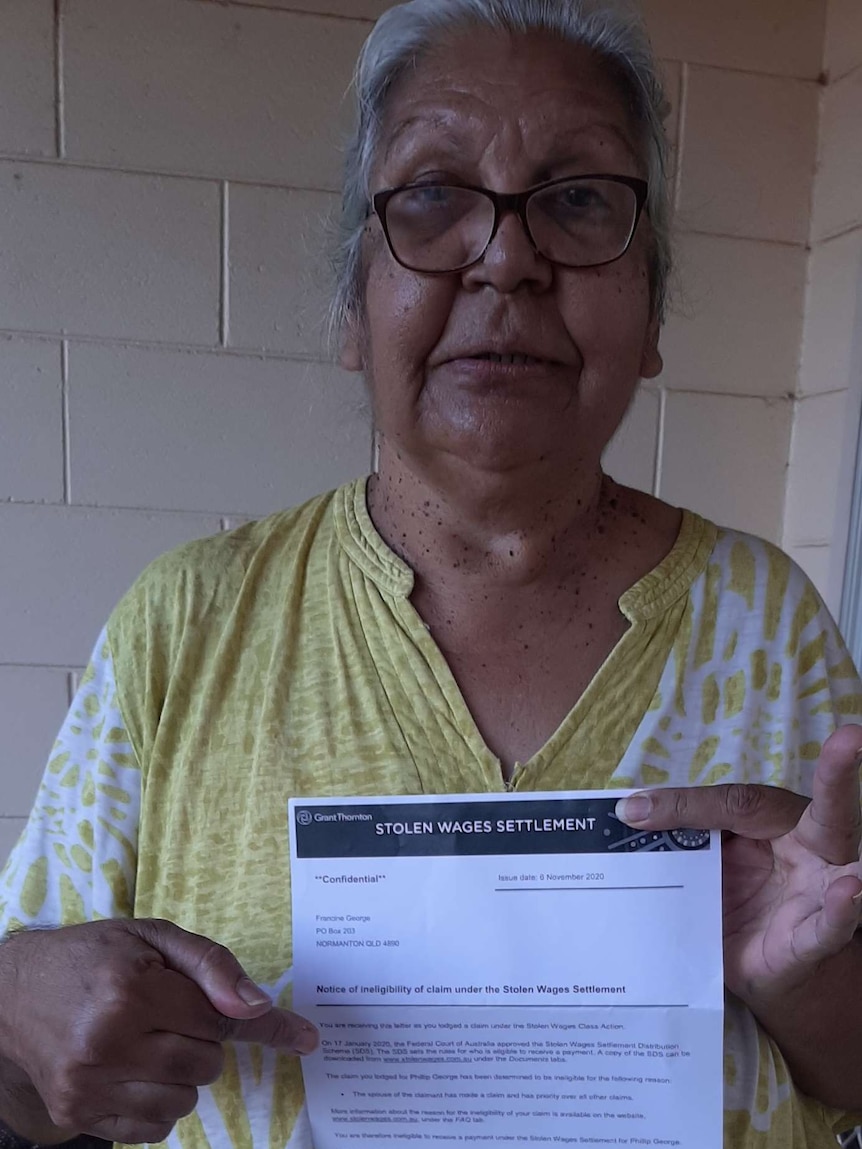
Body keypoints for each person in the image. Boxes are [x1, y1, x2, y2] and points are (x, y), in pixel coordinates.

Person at [1, 0, 861, 1147]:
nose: (507, 259)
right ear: (353, 308)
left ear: (650, 310)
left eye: (578, 200)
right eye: (433, 197)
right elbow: (36, 1084)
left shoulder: (768, 623)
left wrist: (802, 980)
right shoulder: (189, 623)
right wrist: (13, 1012)